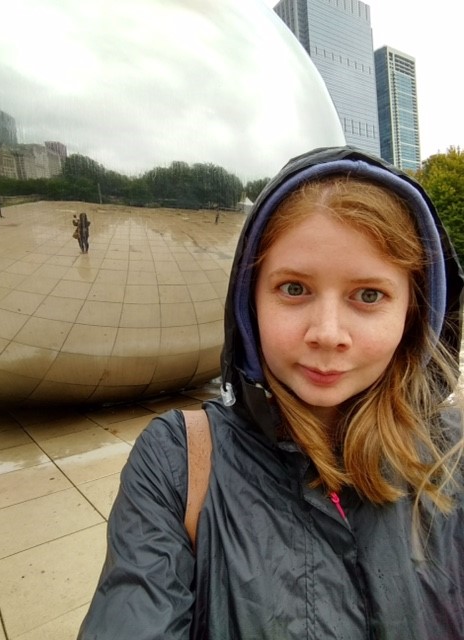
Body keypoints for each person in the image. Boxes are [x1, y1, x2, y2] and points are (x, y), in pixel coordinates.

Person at [77, 146, 464, 639]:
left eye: (368, 295)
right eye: (294, 289)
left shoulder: (453, 455)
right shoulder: (177, 465)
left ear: (414, 312)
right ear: (249, 300)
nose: (327, 333)